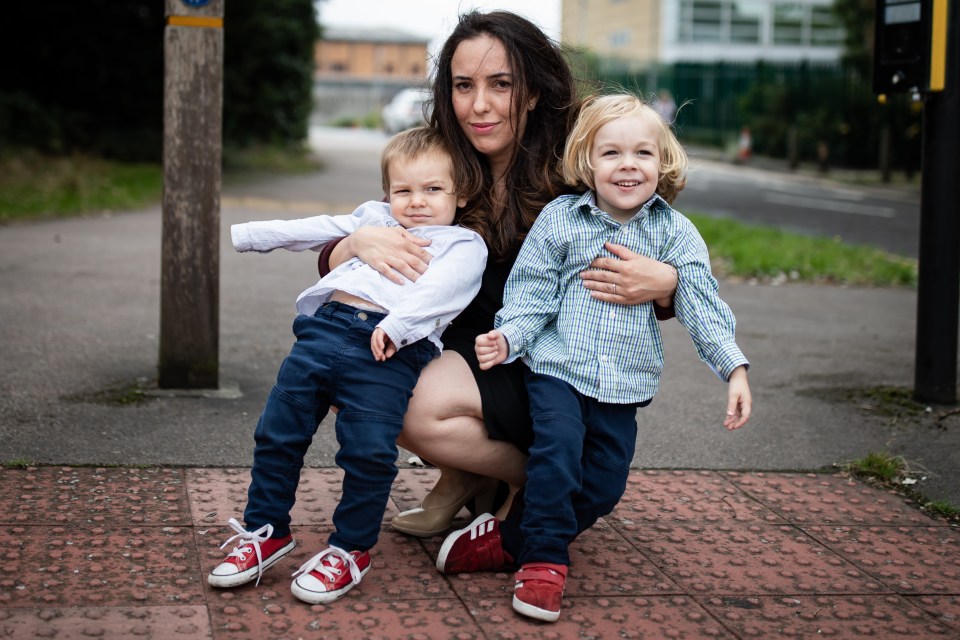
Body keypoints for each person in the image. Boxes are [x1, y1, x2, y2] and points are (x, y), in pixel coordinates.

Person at [318, 10, 681, 540]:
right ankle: (482, 472)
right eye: (464, 86)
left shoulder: (579, 166)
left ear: (532, 91)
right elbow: (354, 244)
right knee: (346, 366)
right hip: (467, 350)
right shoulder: (442, 159)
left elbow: (666, 246)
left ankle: (544, 480)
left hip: (547, 363)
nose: (479, 105)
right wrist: (351, 243)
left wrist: (667, 285)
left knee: (408, 405)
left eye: (501, 84)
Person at [440, 94, 752, 622]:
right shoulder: (563, 219)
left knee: (603, 486)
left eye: (642, 154)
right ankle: (542, 565)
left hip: (623, 385)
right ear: (587, 162)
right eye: (611, 153)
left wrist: (734, 368)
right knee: (557, 457)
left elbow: (701, 299)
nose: (628, 165)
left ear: (663, 162)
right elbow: (531, 292)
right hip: (558, 370)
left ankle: (509, 538)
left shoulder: (674, 233)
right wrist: (509, 338)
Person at [208, 126, 487, 605]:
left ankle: (350, 549)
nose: (417, 201)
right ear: (387, 193)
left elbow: (443, 293)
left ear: (459, 194)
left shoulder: (462, 244)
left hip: (389, 347)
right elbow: (319, 226)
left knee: (368, 453)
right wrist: (251, 236)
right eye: (404, 190)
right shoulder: (376, 219)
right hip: (323, 331)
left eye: (433, 189)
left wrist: (398, 327)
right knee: (277, 433)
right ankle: (265, 530)